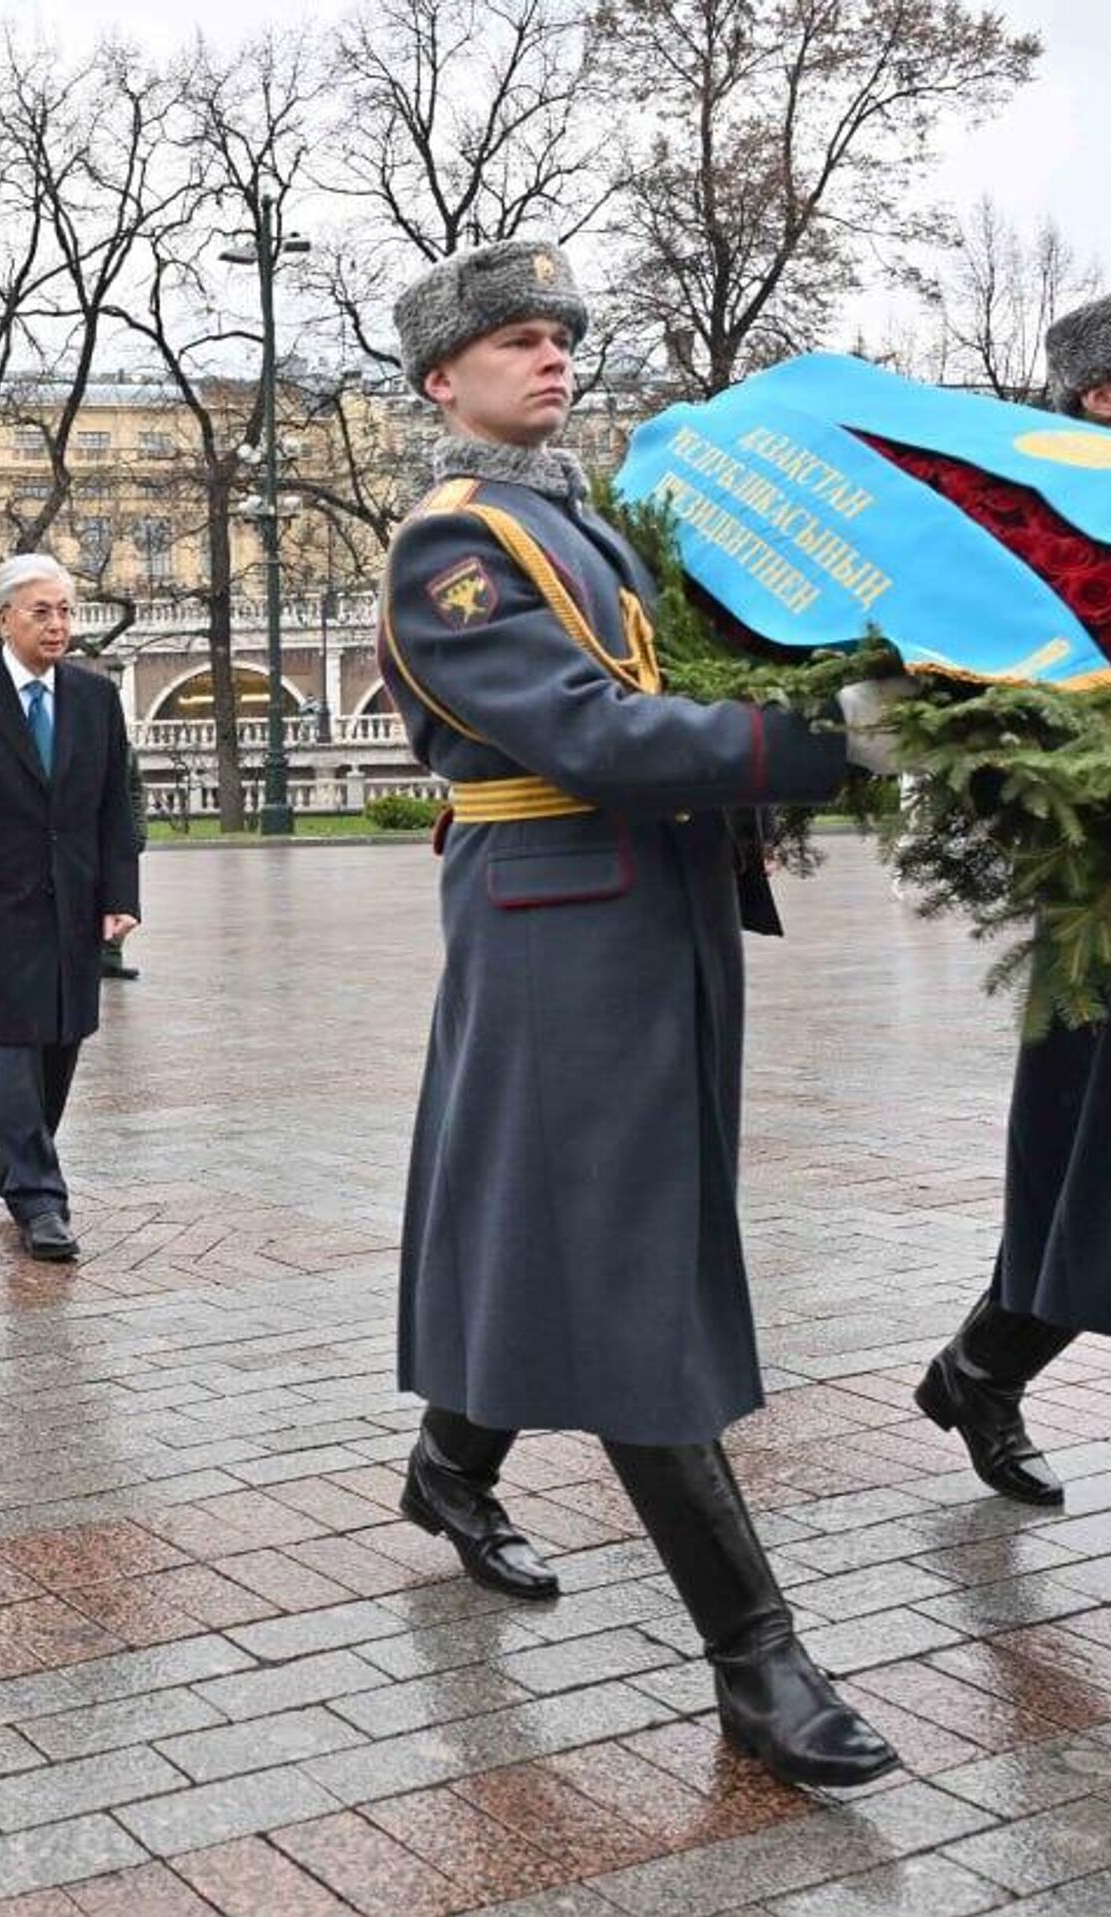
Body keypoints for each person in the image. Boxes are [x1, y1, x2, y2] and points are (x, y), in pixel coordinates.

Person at [379, 241, 907, 1788]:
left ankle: (450, 1463)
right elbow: (592, 731)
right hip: (561, 924)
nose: (552, 356)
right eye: (516, 340)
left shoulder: (585, 519)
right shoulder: (455, 543)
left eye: (561, 335)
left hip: (638, 912)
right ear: (442, 379)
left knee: (584, 1219)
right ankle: (760, 1663)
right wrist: (818, 742)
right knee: (624, 1273)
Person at [913, 292, 1111, 1508]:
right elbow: (986, 722)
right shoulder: (1037, 535)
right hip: (1099, 895)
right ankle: (985, 1367)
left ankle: (982, 1366)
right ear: (1099, 395)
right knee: (1089, 1169)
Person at [0, 554, 140, 1261]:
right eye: (41, 612)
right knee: (13, 1045)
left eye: (65, 611)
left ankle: (17, 1160)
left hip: (74, 901)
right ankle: (40, 1199)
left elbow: (115, 804)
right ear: (4, 618)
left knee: (63, 1041)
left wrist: (120, 896)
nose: (57, 625)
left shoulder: (95, 697)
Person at [100, 745, 148, 981]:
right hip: (87, 834)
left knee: (122, 899)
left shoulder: (126, 750)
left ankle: (110, 958)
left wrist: (139, 829)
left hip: (120, 834)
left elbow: (135, 793)